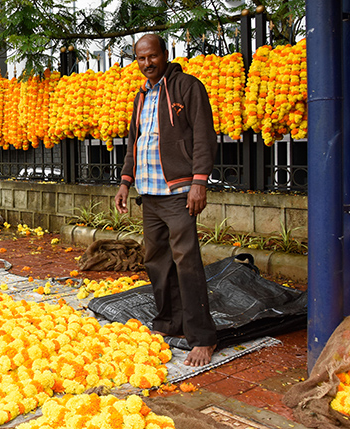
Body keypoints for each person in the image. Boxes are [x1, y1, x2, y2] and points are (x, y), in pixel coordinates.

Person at [114, 34, 218, 367]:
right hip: (149, 192)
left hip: (177, 192)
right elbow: (135, 141)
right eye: (141, 59)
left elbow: (204, 135)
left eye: (152, 57)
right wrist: (125, 183)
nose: (147, 64)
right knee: (157, 261)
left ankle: (202, 338)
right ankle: (169, 324)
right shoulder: (141, 95)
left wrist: (199, 183)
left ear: (165, 54)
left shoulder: (188, 87)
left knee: (186, 261)